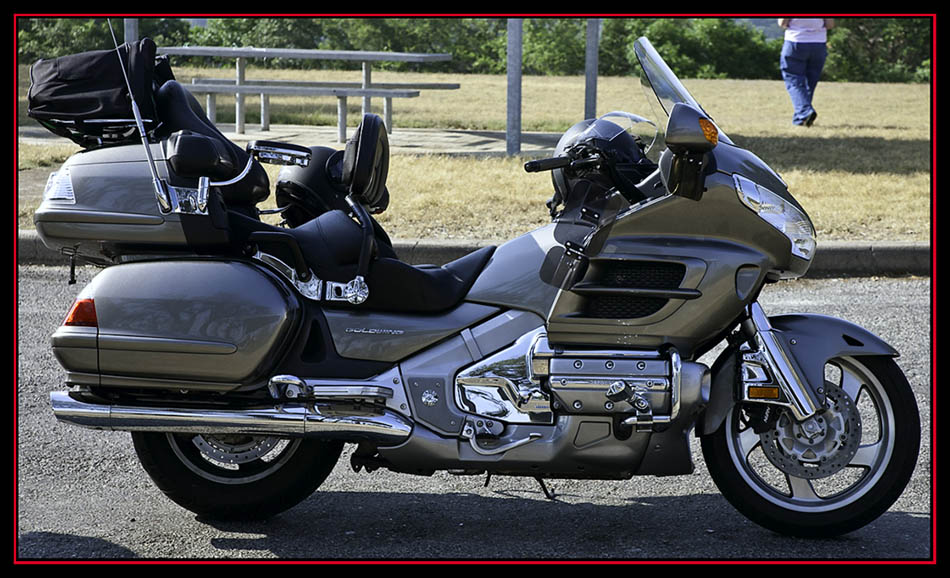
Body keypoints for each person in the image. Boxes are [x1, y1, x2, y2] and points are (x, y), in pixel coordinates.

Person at [778, 18, 835, 126]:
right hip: (818, 44)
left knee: (794, 80)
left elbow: (782, 23)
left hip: (795, 41)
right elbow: (830, 24)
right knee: (810, 82)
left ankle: (805, 112)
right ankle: (800, 119)